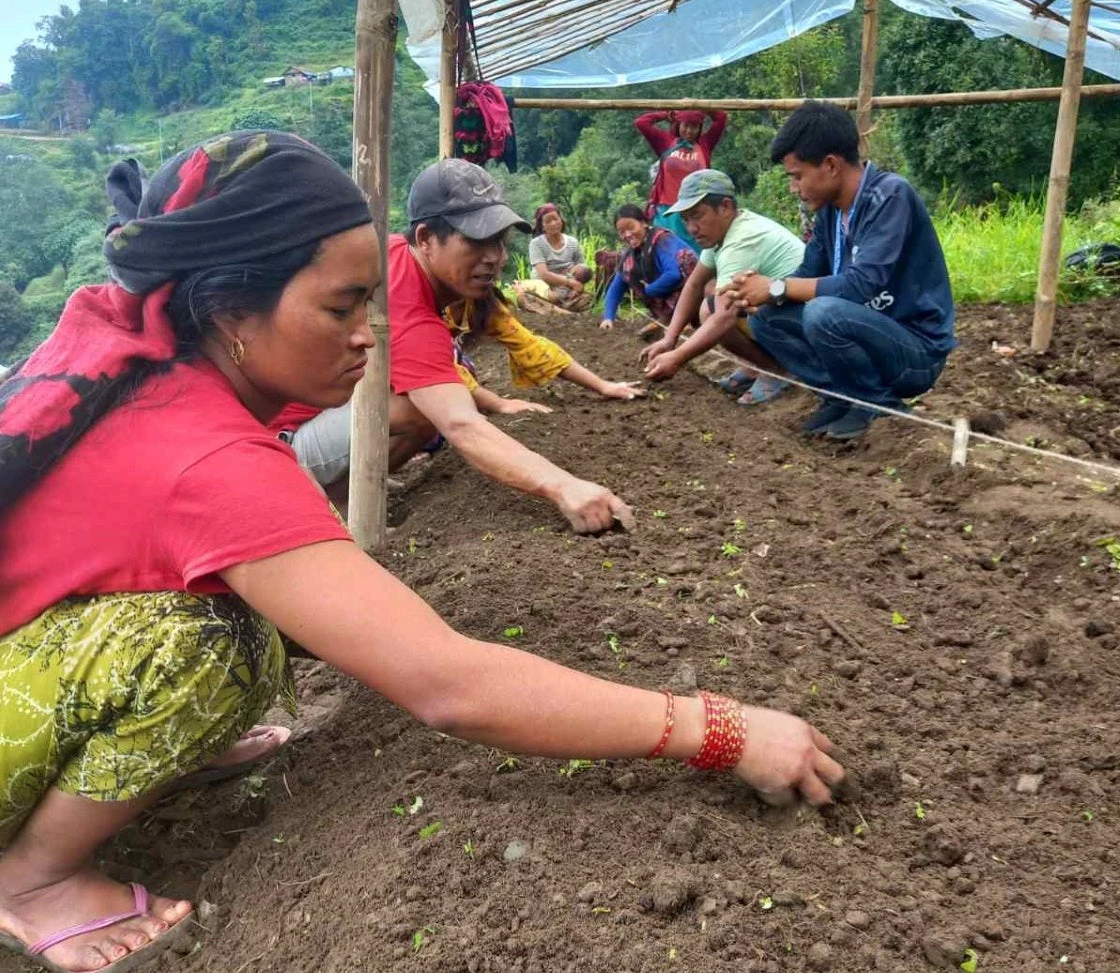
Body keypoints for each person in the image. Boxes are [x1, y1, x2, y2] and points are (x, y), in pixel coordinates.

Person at [0, 130, 845, 973]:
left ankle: (151, 756)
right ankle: (32, 878)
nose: (367, 334)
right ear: (229, 313)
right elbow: (446, 683)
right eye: (338, 308)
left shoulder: (166, 379)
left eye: (368, 302)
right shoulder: (204, 455)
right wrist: (717, 726)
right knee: (203, 647)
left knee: (258, 626)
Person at [272, 160, 642, 531]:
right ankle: (338, 500)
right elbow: (460, 424)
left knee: (423, 401)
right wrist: (564, 486)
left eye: (499, 241)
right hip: (284, 448)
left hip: (310, 419)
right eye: (476, 241)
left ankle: (351, 486)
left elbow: (528, 344)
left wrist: (602, 386)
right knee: (422, 409)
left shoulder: (402, 260)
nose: (494, 257)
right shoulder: (407, 305)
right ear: (425, 239)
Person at [721, 101, 956, 440]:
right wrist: (756, 293)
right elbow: (804, 275)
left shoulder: (889, 197)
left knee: (822, 312)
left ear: (830, 165)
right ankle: (842, 397)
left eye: (797, 176)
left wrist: (775, 287)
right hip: (863, 331)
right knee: (767, 318)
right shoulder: (830, 214)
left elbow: (860, 286)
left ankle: (877, 403)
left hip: (915, 351)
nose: (794, 188)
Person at [639, 169, 805, 404]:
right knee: (711, 300)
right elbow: (695, 283)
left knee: (714, 311)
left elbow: (724, 318)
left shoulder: (740, 241)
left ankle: (777, 371)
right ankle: (755, 367)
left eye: (697, 216)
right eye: (685, 219)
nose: (691, 228)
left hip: (804, 321)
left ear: (725, 207)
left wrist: (676, 358)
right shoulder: (723, 234)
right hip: (782, 310)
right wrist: (670, 338)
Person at [635, 108, 728, 251]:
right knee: (666, 254)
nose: (689, 131)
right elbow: (641, 123)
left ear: (700, 128)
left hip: (697, 210)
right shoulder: (666, 142)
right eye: (685, 126)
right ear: (678, 125)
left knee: (696, 257)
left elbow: (721, 117)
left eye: (694, 127)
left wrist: (702, 107)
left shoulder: (704, 145)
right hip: (668, 211)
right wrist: (667, 114)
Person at [599, 205, 697, 337]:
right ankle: (669, 322)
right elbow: (616, 287)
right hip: (670, 305)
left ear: (643, 223)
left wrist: (650, 289)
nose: (627, 234)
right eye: (621, 231)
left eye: (631, 227)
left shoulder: (663, 240)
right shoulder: (630, 256)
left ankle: (681, 322)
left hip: (696, 294)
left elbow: (673, 274)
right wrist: (608, 318)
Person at [514, 204, 593, 312]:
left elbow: (581, 270)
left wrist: (575, 289)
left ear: (561, 220)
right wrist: (571, 283)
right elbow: (544, 274)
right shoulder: (536, 244)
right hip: (544, 289)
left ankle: (554, 310)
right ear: (542, 226)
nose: (553, 223)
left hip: (566, 292)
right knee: (524, 296)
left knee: (587, 299)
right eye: (548, 221)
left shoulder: (572, 243)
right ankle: (563, 312)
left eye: (555, 219)